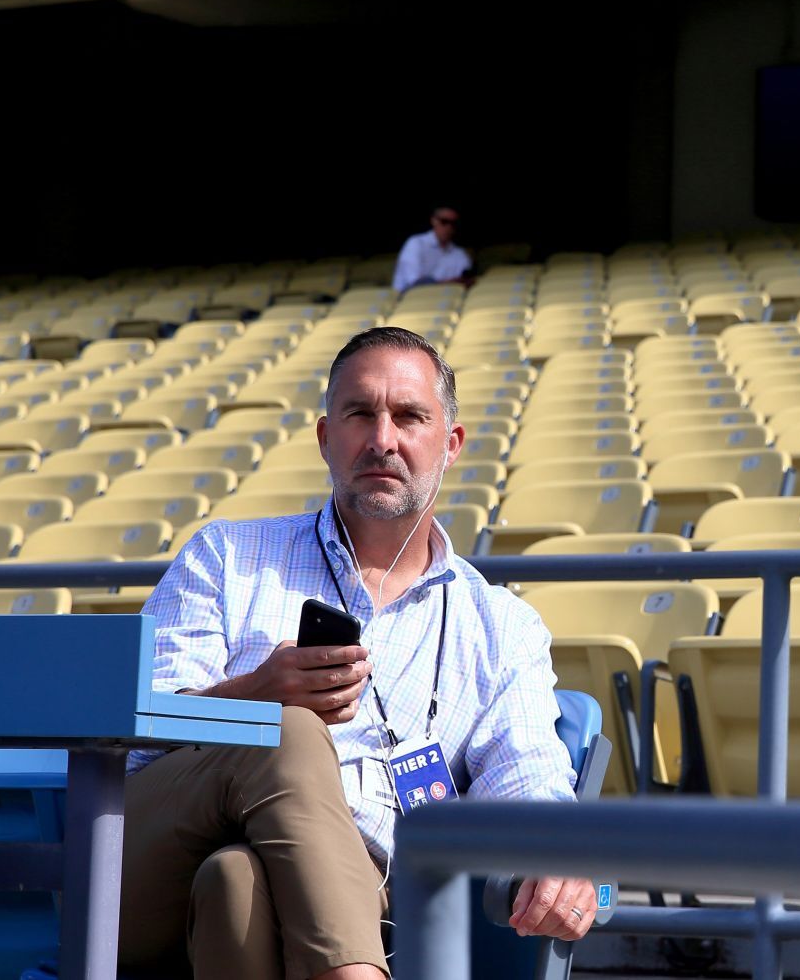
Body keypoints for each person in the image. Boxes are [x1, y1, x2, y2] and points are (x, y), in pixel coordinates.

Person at [119, 327, 593, 980]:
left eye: (408, 416)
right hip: (155, 867)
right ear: (324, 437)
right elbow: (133, 735)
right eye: (359, 414)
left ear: (449, 445)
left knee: (235, 882)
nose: (382, 439)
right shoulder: (226, 556)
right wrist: (252, 695)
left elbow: (528, 772)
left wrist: (555, 856)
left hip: (364, 891)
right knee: (286, 731)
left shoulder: (500, 624)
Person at [392, 207, 473, 292]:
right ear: (434, 221)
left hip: (445, 299)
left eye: (453, 223)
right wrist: (451, 282)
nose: (449, 227)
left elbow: (465, 282)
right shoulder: (416, 244)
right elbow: (415, 284)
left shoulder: (459, 254)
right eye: (444, 221)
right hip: (409, 299)